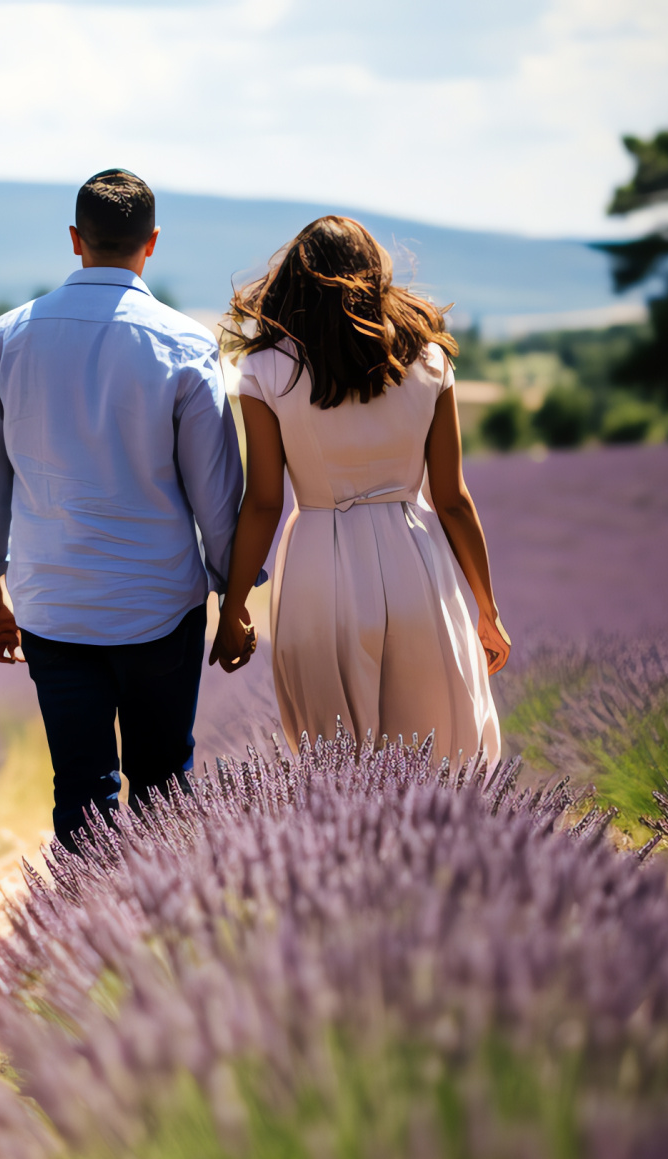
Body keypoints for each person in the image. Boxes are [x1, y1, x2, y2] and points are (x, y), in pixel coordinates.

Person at [0, 169, 250, 850]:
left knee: (81, 795)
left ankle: (85, 944)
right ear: (152, 243)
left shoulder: (5, 338)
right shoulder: (186, 342)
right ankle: (165, 939)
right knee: (166, 792)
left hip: (54, 607)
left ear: (74, 240)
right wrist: (233, 604)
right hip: (162, 606)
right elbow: (216, 491)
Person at [210, 214, 509, 764]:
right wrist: (486, 608)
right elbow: (451, 499)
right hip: (419, 565)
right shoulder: (428, 359)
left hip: (318, 574)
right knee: (443, 753)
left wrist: (233, 608)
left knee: (337, 765)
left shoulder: (265, 371)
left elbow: (265, 502)